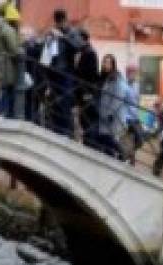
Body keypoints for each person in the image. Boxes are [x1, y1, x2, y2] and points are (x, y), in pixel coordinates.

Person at [42, 8, 80, 136]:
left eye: (61, 22)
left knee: (65, 104)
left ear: (65, 20)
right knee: (54, 104)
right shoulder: (52, 33)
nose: (59, 25)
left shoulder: (72, 32)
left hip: (66, 75)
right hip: (53, 74)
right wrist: (48, 38)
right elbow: (46, 54)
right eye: (57, 22)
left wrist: (63, 37)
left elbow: (78, 46)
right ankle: (56, 131)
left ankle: (66, 133)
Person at [89, 53, 128, 158]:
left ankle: (123, 154)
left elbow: (118, 98)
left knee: (107, 138)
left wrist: (109, 113)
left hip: (111, 116)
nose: (104, 64)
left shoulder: (116, 79)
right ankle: (117, 157)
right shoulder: (103, 77)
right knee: (102, 139)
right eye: (104, 62)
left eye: (107, 62)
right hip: (101, 114)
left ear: (113, 65)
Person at [74, 29, 99, 138]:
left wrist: (87, 93)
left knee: (86, 120)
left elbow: (91, 74)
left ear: (82, 39)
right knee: (83, 120)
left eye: (77, 38)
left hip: (86, 92)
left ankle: (89, 143)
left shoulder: (89, 53)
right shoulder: (84, 51)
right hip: (83, 91)